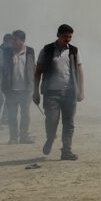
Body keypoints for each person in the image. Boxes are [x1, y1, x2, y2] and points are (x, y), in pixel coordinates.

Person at [33, 24, 84, 160]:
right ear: (58, 35)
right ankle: (50, 139)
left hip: (69, 93)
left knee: (69, 123)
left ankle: (66, 151)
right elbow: (38, 72)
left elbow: (79, 71)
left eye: (70, 37)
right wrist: (35, 92)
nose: (68, 39)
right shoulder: (47, 50)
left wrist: (81, 91)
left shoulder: (74, 51)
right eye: (65, 36)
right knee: (52, 120)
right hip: (51, 93)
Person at [0, 30, 35, 145]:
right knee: (12, 115)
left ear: (22, 41)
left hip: (26, 89)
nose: (12, 42)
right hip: (10, 90)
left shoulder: (30, 52)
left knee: (25, 114)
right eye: (12, 39)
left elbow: (33, 69)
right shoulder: (5, 53)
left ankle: (24, 136)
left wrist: (35, 85)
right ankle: (13, 138)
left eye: (15, 39)